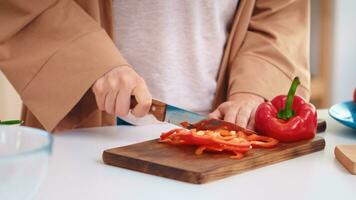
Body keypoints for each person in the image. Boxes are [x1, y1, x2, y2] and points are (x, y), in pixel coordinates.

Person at [0, 0, 310, 132]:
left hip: (226, 126)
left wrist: (255, 90)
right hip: (89, 115)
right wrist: (87, 59)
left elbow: (280, 14)